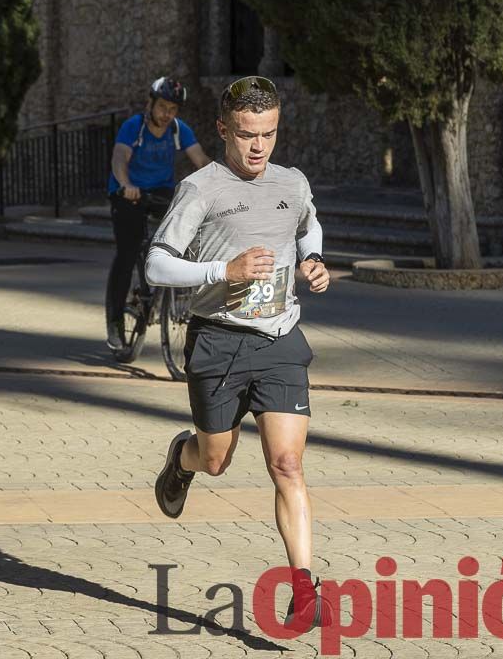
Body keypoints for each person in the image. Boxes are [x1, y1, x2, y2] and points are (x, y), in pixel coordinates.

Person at [145, 75, 333, 631]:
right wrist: (220, 271)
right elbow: (157, 265)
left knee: (287, 464)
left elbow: (308, 225)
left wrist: (314, 260)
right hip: (218, 341)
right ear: (224, 129)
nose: (258, 147)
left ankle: (304, 590)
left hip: (279, 340)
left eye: (269, 134)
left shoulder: (292, 182)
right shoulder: (202, 188)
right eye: (248, 135)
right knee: (216, 460)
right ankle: (183, 459)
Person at [106, 77, 210, 350]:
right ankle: (115, 321)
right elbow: (119, 158)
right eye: (163, 107)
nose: (167, 114)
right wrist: (126, 184)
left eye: (173, 109)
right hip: (128, 193)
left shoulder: (178, 129)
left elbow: (200, 160)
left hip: (161, 191)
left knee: (186, 233)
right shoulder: (133, 127)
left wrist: (221, 185)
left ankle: (173, 291)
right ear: (149, 103)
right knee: (127, 254)